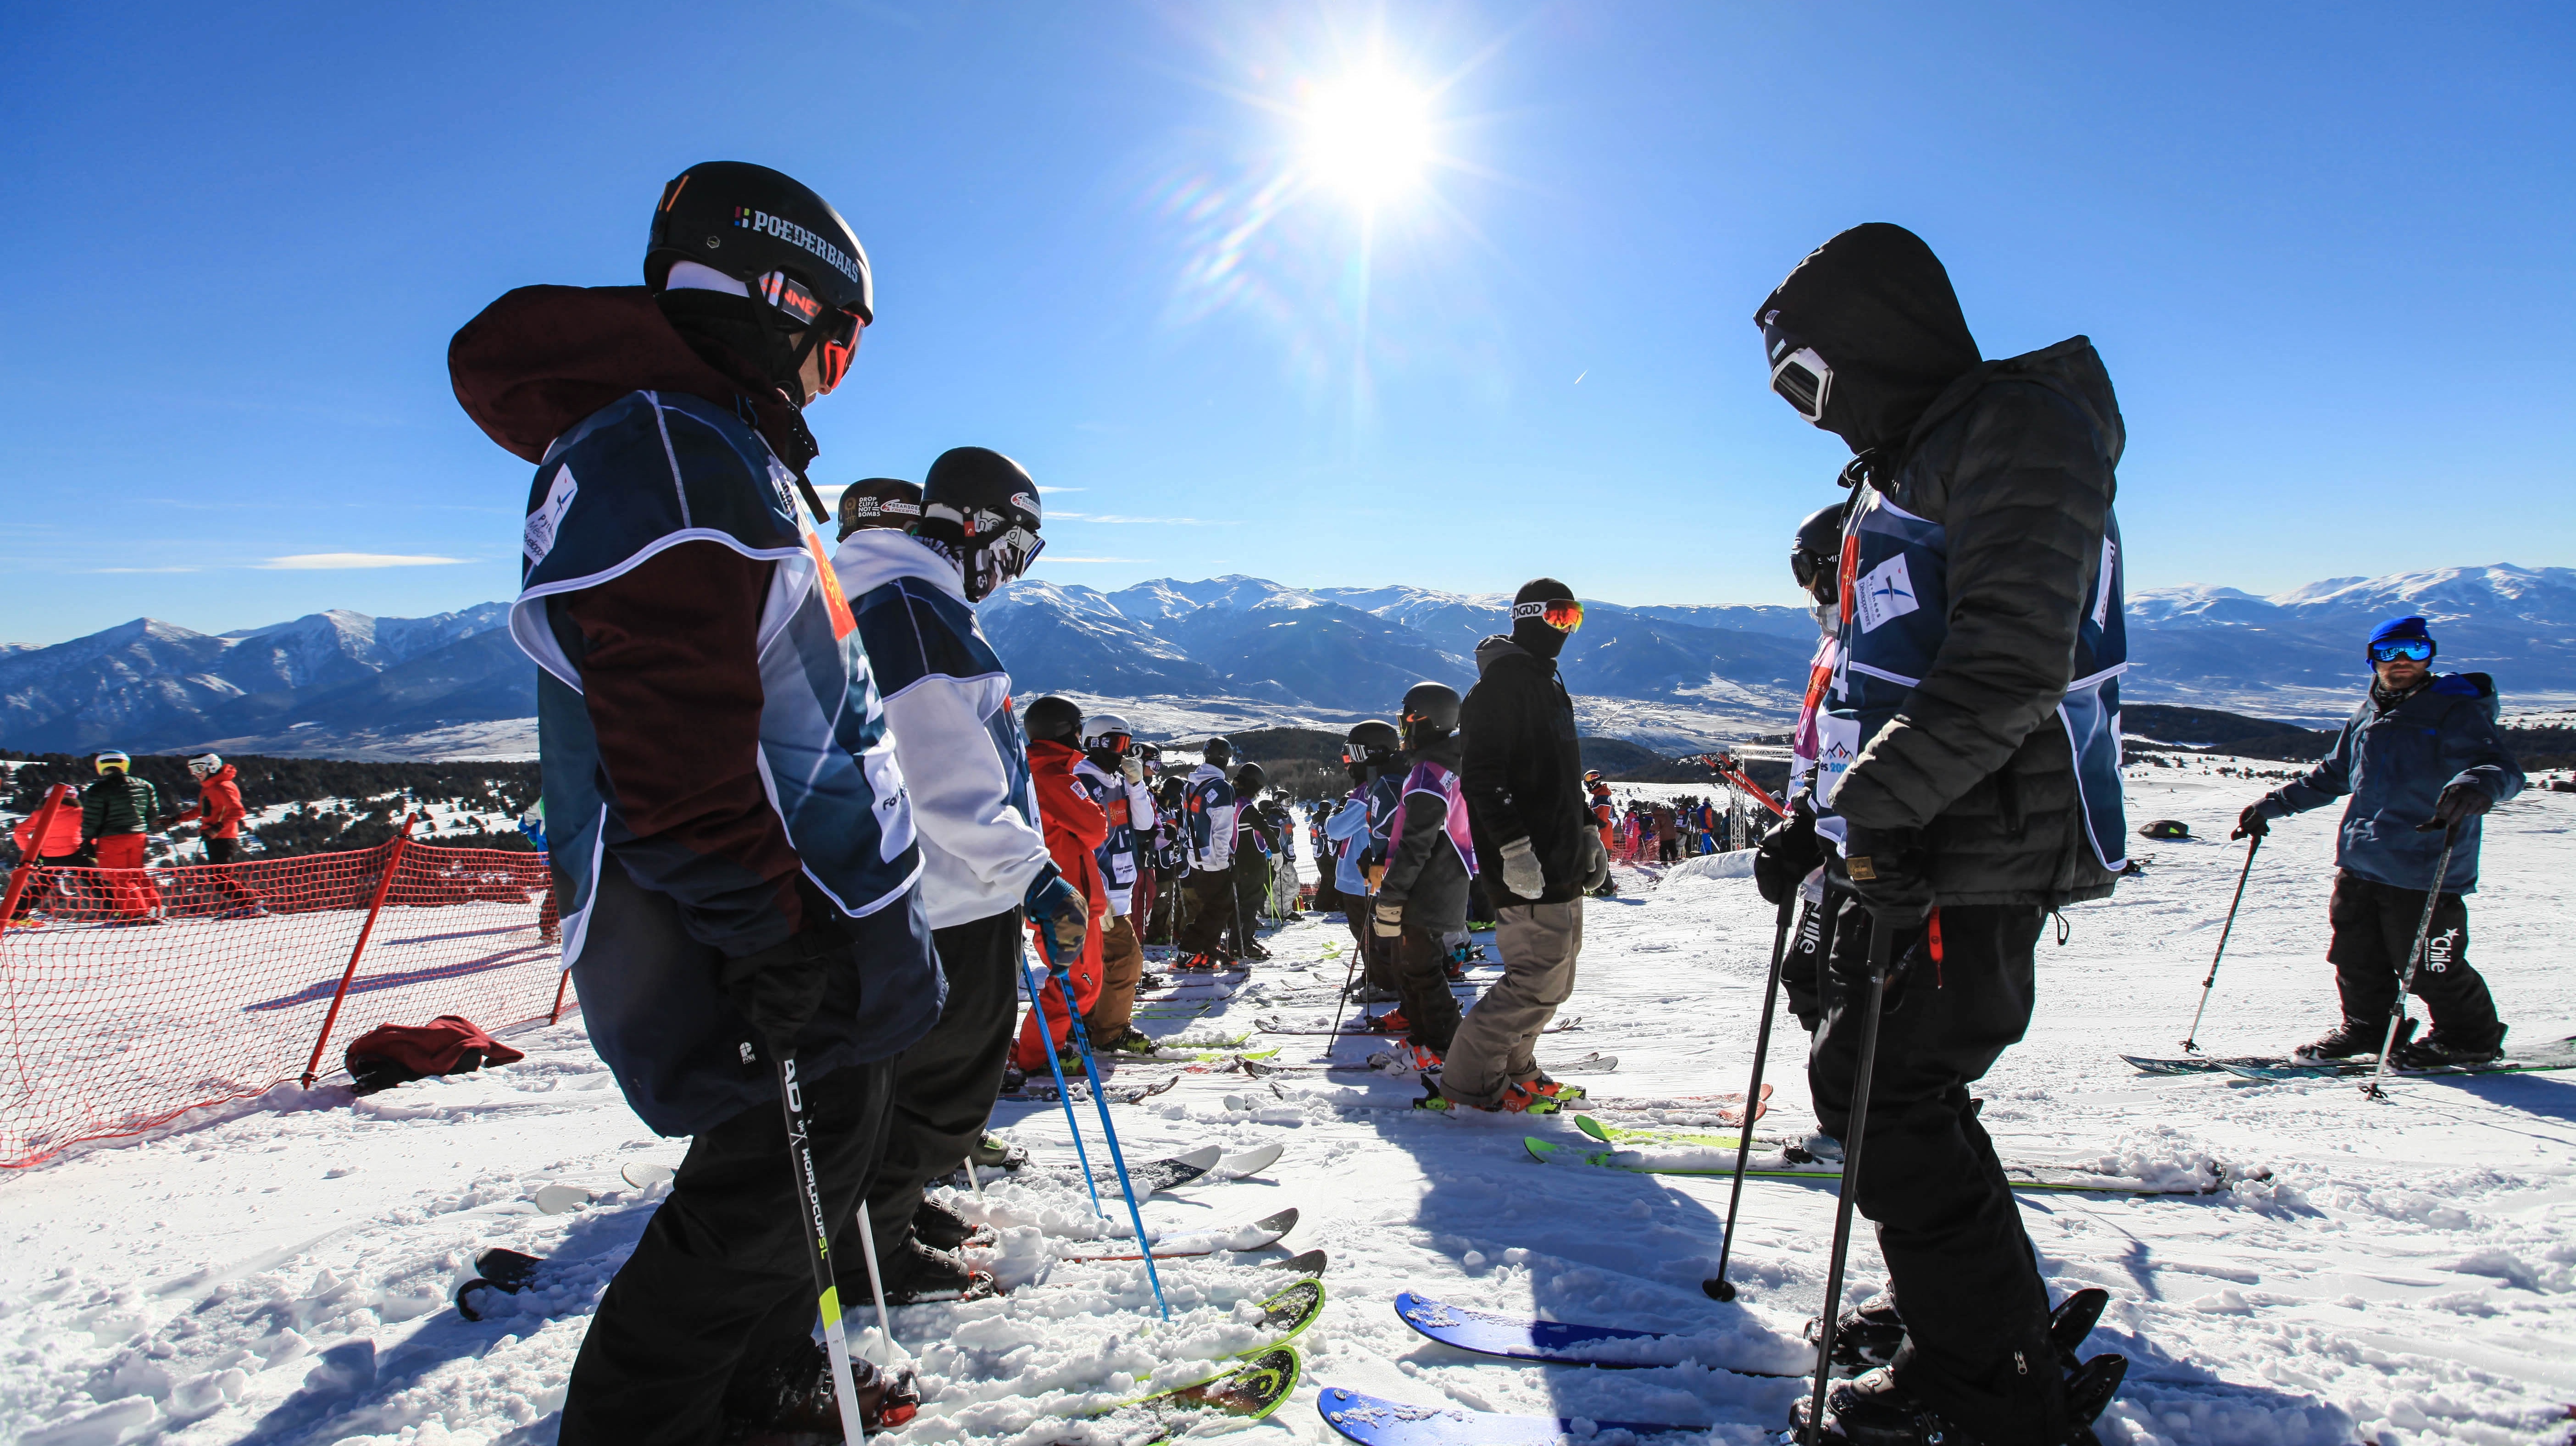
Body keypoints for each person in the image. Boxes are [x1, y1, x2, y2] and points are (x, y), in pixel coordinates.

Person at [451, 160, 935, 1443]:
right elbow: (671, 734)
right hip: (763, 929)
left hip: (805, 916)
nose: (824, 385)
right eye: (830, 354)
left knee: (804, 1185)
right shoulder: (665, 444)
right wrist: (766, 929)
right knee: (756, 1206)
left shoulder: (699, 438)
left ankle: (755, 1396)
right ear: (774, 300)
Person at [1754, 221, 2130, 1446]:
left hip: (1982, 839)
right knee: (1892, 1089)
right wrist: (1823, 823)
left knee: (1885, 1095)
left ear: (1873, 342)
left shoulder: (2018, 430)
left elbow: (2012, 660)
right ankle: (1979, 1327)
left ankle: (1990, 1394)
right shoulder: (1930, 451)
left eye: (1809, 378)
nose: (1810, 413)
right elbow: (1879, 674)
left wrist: (1879, 804)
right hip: (1931, 831)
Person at [831, 456, 1076, 1303]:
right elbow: (941, 775)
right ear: (969, 523)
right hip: (950, 891)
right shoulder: (912, 607)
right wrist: (1032, 874)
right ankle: (873, 1246)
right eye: (1013, 548)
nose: (1012, 572)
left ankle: (885, 1210)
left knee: (906, 1078)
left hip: (935, 887)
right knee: (950, 1088)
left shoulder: (913, 598)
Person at [2235, 614, 2524, 1066]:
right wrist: (2272, 805)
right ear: (2373, 660)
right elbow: (2333, 775)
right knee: (2355, 955)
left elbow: (2500, 768)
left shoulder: (2455, 710)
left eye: (2415, 650)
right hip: (2362, 857)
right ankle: (2370, 1028)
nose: (2402, 661)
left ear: (2431, 656)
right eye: (2390, 652)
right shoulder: (2369, 711)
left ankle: (2471, 1038)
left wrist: (2477, 786)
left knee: (2430, 963)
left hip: (2425, 863)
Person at [1445, 580, 1609, 1112]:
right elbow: (1483, 778)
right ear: (1530, 617)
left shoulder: (1546, 679)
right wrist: (1515, 851)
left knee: (1557, 980)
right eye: (1560, 618)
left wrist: (1585, 828)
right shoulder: (1500, 688)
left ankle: (1517, 1065)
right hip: (1527, 865)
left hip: (1557, 857)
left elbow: (1560, 771)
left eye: (1575, 620)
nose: (1566, 631)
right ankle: (1471, 1085)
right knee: (1533, 980)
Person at [1753, 501, 1853, 1033]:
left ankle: (1878, 1107)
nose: (1805, 587)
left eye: (1807, 570)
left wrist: (1812, 824)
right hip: (1824, 834)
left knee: (1822, 980)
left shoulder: (1868, 646)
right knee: (1813, 979)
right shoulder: (1835, 639)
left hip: (1845, 841)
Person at [1355, 684, 1471, 1082]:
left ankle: (1443, 1044)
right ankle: (1426, 1037)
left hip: (1429, 882)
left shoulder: (1427, 772)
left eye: (1407, 718)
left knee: (1421, 967)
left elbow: (1416, 842)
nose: (1403, 728)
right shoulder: (1443, 762)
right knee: (1412, 964)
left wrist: (1394, 892)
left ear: (1427, 720)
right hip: (1441, 877)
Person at [1012, 696, 1114, 1075]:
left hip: (1065, 895)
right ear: (1064, 731)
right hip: (1065, 899)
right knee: (1077, 982)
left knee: (1080, 981)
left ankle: (1045, 1046)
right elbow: (1094, 827)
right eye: (1076, 729)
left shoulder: (1040, 771)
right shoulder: (1052, 777)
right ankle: (1039, 1055)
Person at [1073, 713, 1156, 1053]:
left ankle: (1092, 1023)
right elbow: (1082, 843)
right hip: (1101, 893)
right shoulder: (1083, 781)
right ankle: (1108, 1030)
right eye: (1114, 744)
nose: (1121, 753)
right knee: (1125, 961)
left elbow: (1145, 824)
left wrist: (1137, 786)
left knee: (1102, 966)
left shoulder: (1117, 781)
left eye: (1126, 745)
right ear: (1093, 743)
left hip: (1119, 888)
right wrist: (1096, 892)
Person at [1326, 720, 1406, 1011]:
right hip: (1358, 874)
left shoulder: (1368, 792)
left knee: (1369, 933)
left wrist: (1332, 817)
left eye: (1350, 758)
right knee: (1365, 933)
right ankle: (1375, 973)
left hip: (1361, 877)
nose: (1347, 766)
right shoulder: (1374, 786)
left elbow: (1337, 830)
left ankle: (1385, 981)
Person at [1172, 738, 1239, 970]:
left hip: (1196, 856)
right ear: (1226, 759)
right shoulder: (1222, 788)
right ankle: (1189, 950)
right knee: (1219, 908)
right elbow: (1222, 829)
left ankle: (1207, 947)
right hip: (1214, 859)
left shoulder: (1190, 785)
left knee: (1213, 906)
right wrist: (1223, 860)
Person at [81, 751, 165, 924]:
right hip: (138, 837)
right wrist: (141, 827)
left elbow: (92, 819)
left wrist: (88, 839)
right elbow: (153, 813)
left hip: (111, 839)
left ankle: (136, 914)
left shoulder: (98, 790)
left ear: (101, 767)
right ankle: (154, 909)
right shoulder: (145, 785)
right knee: (137, 874)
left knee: (118, 878)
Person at [174, 754, 264, 916]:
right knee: (224, 877)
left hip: (223, 837)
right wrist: (176, 819)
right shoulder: (210, 787)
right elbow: (202, 810)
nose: (196, 773)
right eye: (192, 769)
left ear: (212, 766)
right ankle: (249, 906)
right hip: (214, 836)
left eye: (199, 768)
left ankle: (249, 907)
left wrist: (218, 828)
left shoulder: (222, 786)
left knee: (221, 879)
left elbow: (238, 811)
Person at [8, 782, 85, 925]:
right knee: (96, 881)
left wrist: (32, 852)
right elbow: (90, 833)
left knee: (43, 885)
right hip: (75, 853)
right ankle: (119, 910)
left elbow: (20, 832)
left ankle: (17, 915)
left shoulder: (40, 814)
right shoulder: (79, 813)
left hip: (48, 856)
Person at [1229, 761, 1277, 961]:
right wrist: (1277, 851)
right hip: (1250, 862)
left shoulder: (1232, 801)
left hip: (1237, 860)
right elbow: (1265, 828)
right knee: (1250, 903)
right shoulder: (1246, 807)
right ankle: (1242, 944)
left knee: (1242, 903)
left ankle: (1241, 939)